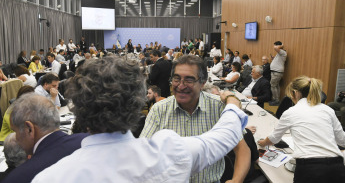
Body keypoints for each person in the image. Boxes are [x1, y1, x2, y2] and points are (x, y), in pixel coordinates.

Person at [32, 55, 248, 183]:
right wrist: (232, 102)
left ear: (77, 106)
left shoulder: (49, 178)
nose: (181, 85)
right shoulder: (169, 153)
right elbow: (225, 134)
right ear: (138, 103)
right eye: (176, 78)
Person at [141, 55, 250, 183]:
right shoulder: (159, 110)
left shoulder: (219, 107)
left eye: (189, 80)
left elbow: (242, 149)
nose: (181, 86)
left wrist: (236, 180)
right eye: (176, 79)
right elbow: (143, 155)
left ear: (203, 83)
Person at [258, 76, 345, 183]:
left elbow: (273, 138)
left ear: (295, 93)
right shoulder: (328, 109)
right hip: (336, 166)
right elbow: (342, 140)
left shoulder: (291, 112)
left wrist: (262, 142)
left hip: (309, 168)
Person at [2, 94, 88, 183]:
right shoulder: (86, 141)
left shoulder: (19, 178)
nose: (16, 138)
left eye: (15, 132)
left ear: (29, 129)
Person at [269, 41, 287, 106]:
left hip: (277, 72)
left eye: (275, 45)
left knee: (273, 85)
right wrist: (273, 59)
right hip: (276, 71)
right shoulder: (280, 53)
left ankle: (276, 100)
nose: (274, 46)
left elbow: (276, 48)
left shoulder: (282, 52)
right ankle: (276, 99)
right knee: (276, 86)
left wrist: (281, 45)